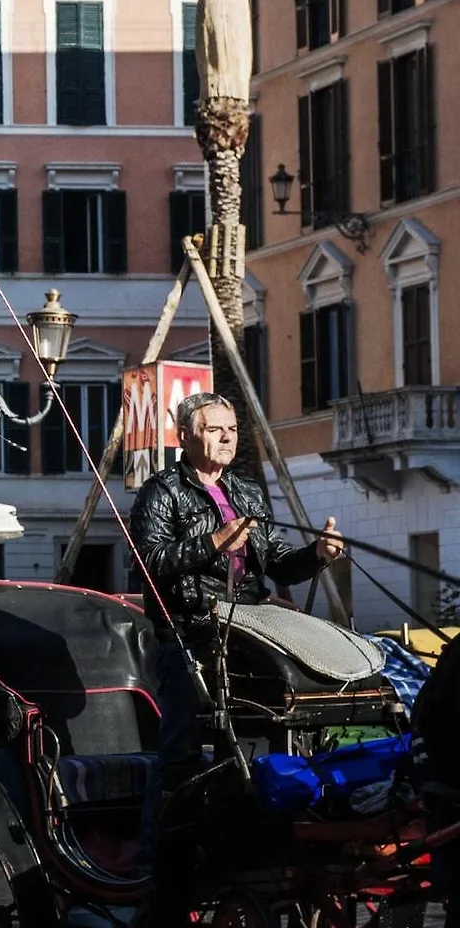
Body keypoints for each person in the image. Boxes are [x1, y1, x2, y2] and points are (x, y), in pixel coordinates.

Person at [129, 391, 344, 921]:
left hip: (246, 628)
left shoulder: (246, 490)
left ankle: (265, 833)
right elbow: (150, 562)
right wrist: (211, 544)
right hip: (190, 634)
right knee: (178, 750)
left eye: (232, 429)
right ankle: (155, 858)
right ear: (187, 436)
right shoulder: (162, 493)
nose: (227, 437)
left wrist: (315, 555)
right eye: (215, 429)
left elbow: (276, 563)